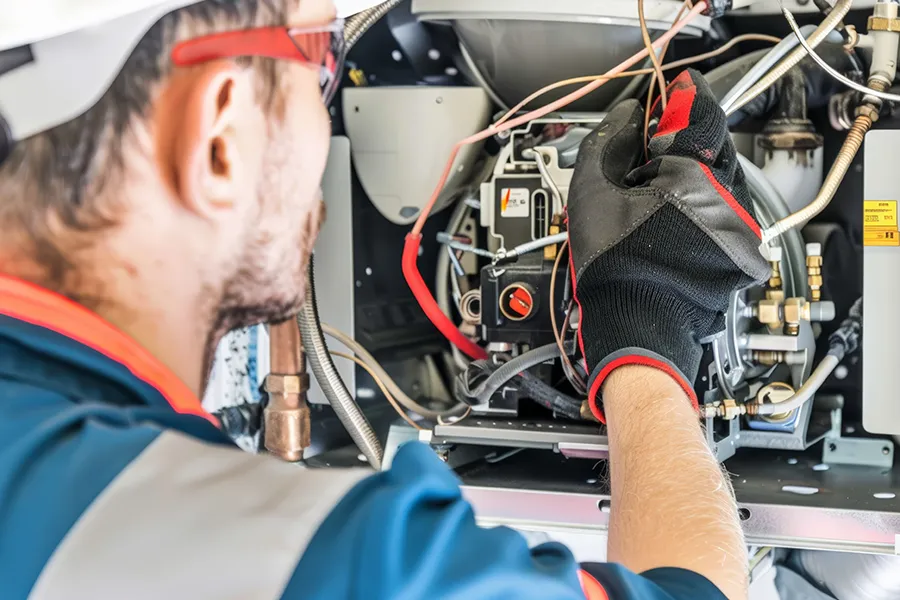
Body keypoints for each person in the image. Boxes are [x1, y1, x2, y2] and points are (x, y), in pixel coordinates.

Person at [0, 1, 768, 598]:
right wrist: (645, 319)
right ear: (219, 138)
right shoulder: (315, 563)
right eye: (322, 61)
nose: (328, 108)